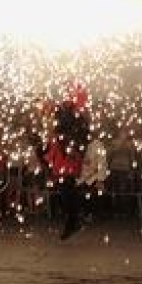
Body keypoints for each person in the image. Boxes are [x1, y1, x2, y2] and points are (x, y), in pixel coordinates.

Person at [39, 85, 90, 239]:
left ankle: (74, 220)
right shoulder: (63, 111)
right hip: (62, 154)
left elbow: (81, 134)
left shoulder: (76, 114)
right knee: (66, 188)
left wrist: (74, 149)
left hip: (69, 155)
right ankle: (74, 220)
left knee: (67, 187)